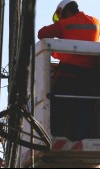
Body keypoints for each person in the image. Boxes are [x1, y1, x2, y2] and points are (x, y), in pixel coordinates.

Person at [38, 0, 100, 141]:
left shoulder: (65, 24)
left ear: (64, 12)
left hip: (68, 75)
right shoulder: (96, 22)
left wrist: (59, 33)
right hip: (89, 76)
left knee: (55, 102)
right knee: (84, 104)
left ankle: (58, 136)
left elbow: (42, 33)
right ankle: (83, 136)